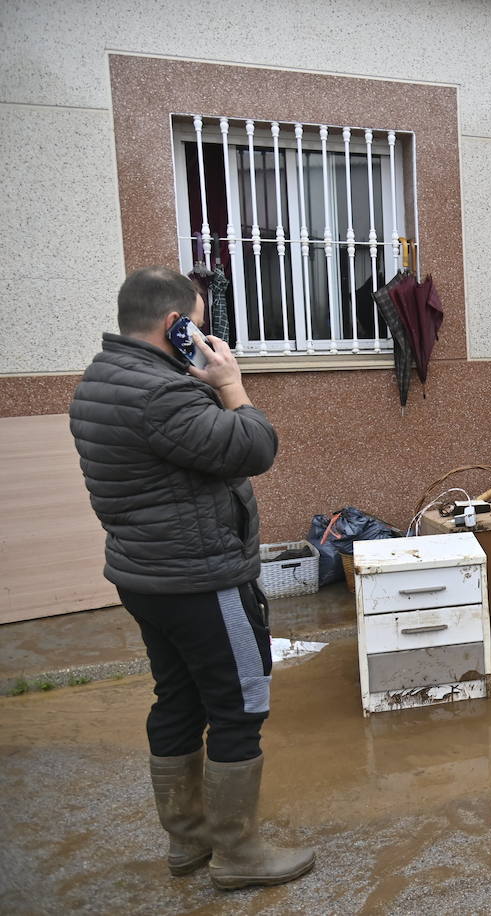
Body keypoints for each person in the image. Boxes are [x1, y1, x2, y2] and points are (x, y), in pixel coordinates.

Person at [68, 266, 314, 890]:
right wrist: (230, 383)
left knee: (177, 698)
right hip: (200, 577)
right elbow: (254, 446)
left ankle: (189, 844)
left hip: (147, 575)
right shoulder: (163, 394)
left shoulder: (102, 378)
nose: (204, 335)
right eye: (197, 325)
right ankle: (237, 855)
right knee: (238, 705)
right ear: (175, 324)